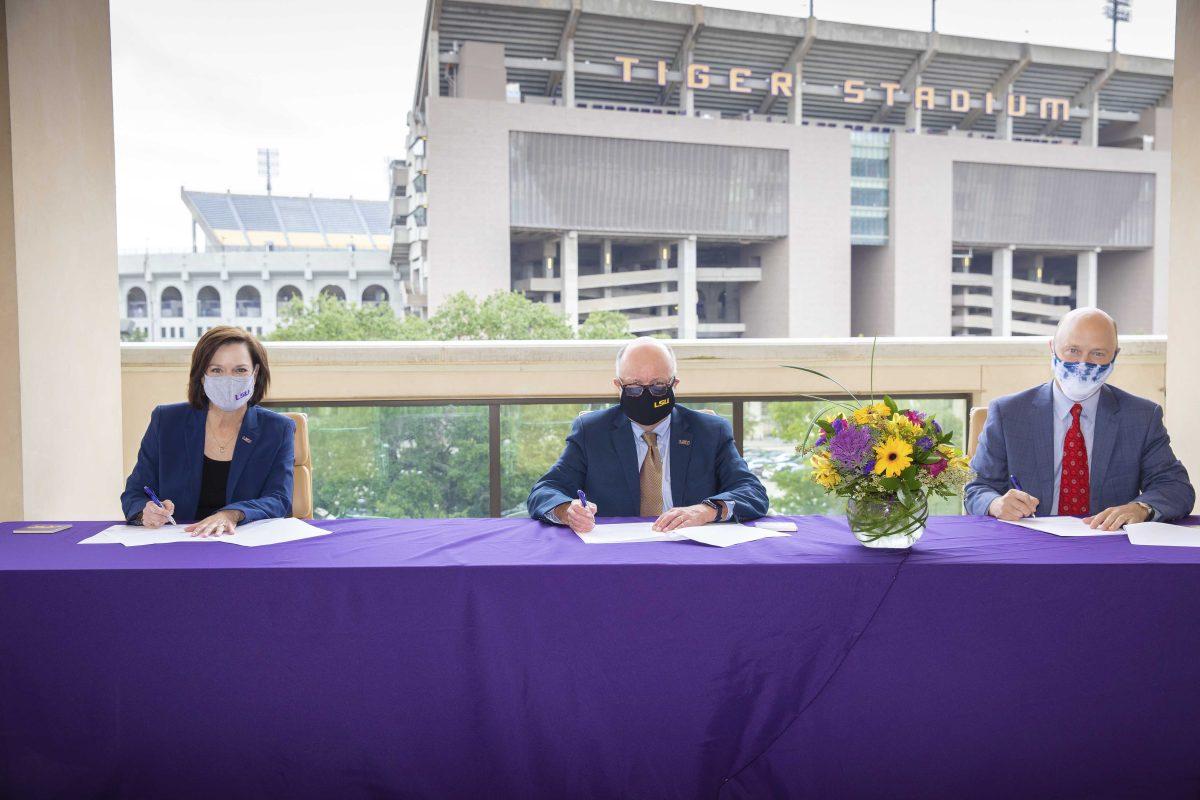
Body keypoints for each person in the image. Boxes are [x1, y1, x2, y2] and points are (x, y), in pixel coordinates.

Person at [965, 307, 1193, 529]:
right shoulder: (1008, 413)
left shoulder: (1142, 417)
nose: (1083, 363)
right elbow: (977, 488)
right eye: (1073, 350)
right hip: (1028, 542)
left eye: (1098, 353)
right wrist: (996, 503)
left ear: (1115, 355)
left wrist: (1142, 508)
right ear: (1052, 348)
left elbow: (1176, 487)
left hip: (1108, 545)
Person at [528, 337, 769, 534]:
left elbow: (752, 492)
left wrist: (705, 511)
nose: (646, 396)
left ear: (674, 385)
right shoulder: (591, 431)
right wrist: (567, 510)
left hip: (690, 553)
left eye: (657, 386)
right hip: (614, 557)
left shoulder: (710, 431)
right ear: (617, 386)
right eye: (633, 387)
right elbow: (545, 491)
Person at [121, 326, 296, 537]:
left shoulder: (278, 429)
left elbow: (279, 499)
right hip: (177, 542)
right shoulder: (166, 421)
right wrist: (145, 511)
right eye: (216, 370)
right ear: (202, 375)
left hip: (244, 546)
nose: (228, 379)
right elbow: (135, 493)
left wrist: (232, 514)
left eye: (240, 370)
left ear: (256, 373)